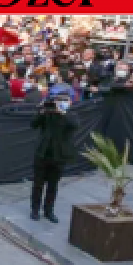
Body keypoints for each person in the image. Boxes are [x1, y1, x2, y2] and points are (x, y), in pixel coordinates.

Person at [29, 87, 78, 223]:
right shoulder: (47, 113)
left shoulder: (71, 115)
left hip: (59, 155)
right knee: (38, 183)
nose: (61, 102)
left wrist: (62, 112)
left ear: (70, 102)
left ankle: (49, 210)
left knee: (53, 185)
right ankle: (35, 209)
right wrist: (41, 111)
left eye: (65, 100)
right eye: (58, 100)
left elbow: (75, 125)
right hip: (42, 153)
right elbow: (33, 124)